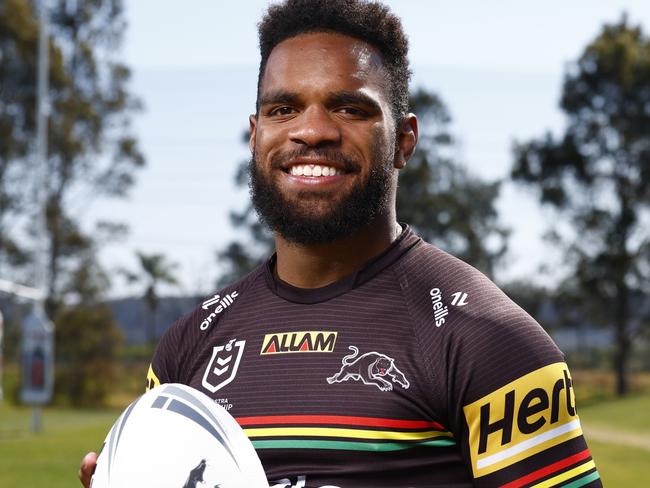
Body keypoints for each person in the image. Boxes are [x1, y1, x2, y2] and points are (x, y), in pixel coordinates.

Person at [80, 1, 602, 487]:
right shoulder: (189, 346)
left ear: (404, 140)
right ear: (254, 135)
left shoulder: (487, 340)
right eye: (283, 109)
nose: (312, 131)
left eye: (349, 109)